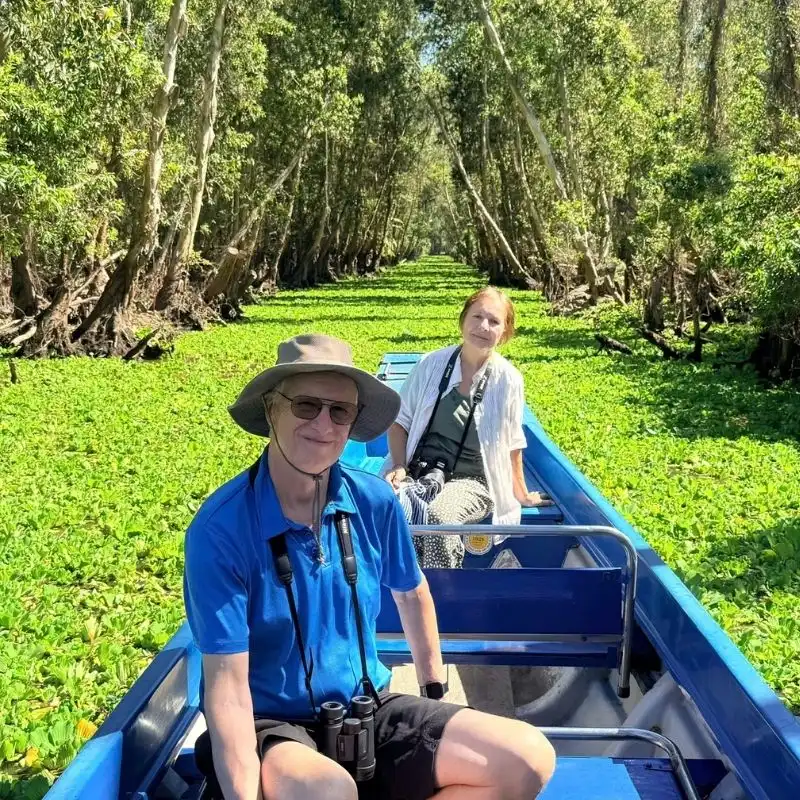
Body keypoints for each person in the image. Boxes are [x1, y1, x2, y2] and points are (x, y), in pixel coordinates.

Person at [183, 333, 555, 800]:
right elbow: (228, 691)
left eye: (340, 411)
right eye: (306, 405)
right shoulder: (222, 529)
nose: (324, 423)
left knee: (527, 757)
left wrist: (433, 689)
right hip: (273, 725)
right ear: (271, 408)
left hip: (367, 706)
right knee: (329, 791)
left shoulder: (374, 500)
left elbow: (411, 591)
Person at [384, 287, 552, 568]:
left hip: (474, 481)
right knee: (388, 509)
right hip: (421, 469)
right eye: (477, 317)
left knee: (440, 518)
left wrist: (521, 495)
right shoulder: (431, 364)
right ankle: (402, 593)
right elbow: (400, 421)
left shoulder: (508, 380)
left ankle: (443, 593)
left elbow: (512, 443)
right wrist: (399, 465)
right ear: (463, 320)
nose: (483, 327)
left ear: (505, 332)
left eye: (494, 321)